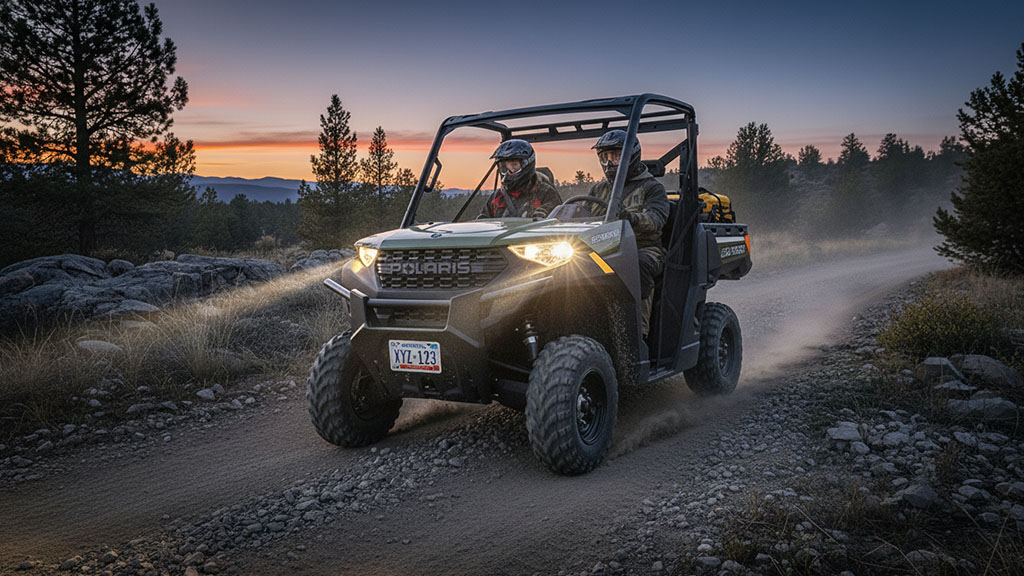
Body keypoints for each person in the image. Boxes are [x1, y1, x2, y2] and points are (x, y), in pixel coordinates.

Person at [588, 129, 669, 338]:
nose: (608, 162)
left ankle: (637, 334)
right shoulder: (598, 190)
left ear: (630, 155)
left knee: (637, 264)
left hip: (644, 248)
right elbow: (583, 216)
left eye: (615, 156)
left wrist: (630, 218)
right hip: (603, 248)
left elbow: (656, 220)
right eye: (604, 156)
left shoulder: (652, 188)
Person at [479, 139, 561, 219]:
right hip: (505, 232)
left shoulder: (546, 193)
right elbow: (483, 221)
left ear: (527, 165)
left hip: (533, 232)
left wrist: (543, 215)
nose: (510, 170)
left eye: (514, 164)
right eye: (506, 166)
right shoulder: (497, 196)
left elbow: (559, 221)